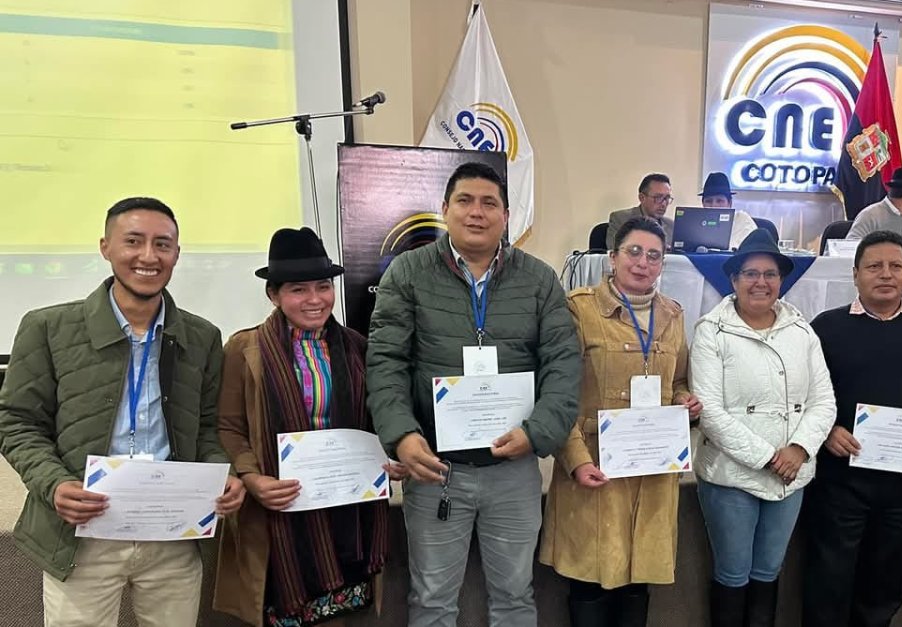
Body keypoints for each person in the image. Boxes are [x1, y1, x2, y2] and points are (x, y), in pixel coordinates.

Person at [0, 196, 245, 627]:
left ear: (176, 254)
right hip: (81, 533)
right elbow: (16, 422)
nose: (148, 256)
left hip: (172, 531)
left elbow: (206, 428)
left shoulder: (202, 336)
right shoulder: (48, 328)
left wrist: (220, 473)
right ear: (105, 247)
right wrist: (54, 484)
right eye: (133, 241)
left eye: (162, 244)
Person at [366, 162, 582, 627]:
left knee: (515, 596)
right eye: (465, 201)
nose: (476, 212)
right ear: (445, 209)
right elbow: (386, 363)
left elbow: (564, 365)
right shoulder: (407, 272)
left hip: (514, 469)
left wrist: (537, 433)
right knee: (432, 600)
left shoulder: (539, 279)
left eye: (489, 203)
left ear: (506, 215)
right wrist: (402, 436)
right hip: (436, 470)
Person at [213, 227, 407, 626]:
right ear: (273, 294)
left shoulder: (357, 347)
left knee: (345, 618)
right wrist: (252, 478)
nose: (315, 299)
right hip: (280, 513)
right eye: (298, 290)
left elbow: (376, 419)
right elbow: (228, 427)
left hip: (348, 513)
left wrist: (393, 455)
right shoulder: (244, 350)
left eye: (323, 286)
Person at [541, 217, 702, 627]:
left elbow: (678, 380)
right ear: (612, 258)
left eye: (654, 256)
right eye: (634, 251)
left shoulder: (672, 314)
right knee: (590, 581)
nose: (643, 262)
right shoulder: (578, 309)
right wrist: (576, 460)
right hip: (595, 467)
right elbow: (556, 392)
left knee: (637, 581)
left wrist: (684, 400)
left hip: (652, 469)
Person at [802, 230, 902, 627]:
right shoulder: (826, 327)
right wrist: (827, 430)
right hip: (840, 483)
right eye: (874, 266)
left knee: (886, 587)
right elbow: (802, 395)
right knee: (828, 583)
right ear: (855, 274)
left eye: (896, 266)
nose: (886, 274)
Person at [689, 228, 837, 627]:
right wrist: (770, 457)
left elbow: (824, 400)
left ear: (781, 280)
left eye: (770, 274)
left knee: (769, 571)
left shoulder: (802, 331)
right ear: (733, 279)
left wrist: (799, 449)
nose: (761, 282)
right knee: (733, 573)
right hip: (732, 474)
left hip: (791, 474)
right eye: (751, 273)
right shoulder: (711, 330)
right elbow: (709, 411)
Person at [607, 173, 675, 250]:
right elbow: (615, 249)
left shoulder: (671, 225)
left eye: (667, 198)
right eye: (658, 198)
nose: (663, 204)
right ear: (642, 198)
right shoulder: (620, 218)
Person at [699, 171, 760, 249]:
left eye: (719, 201)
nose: (713, 206)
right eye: (709, 201)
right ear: (703, 204)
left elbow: (754, 249)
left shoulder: (742, 220)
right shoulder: (694, 224)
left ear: (729, 203)